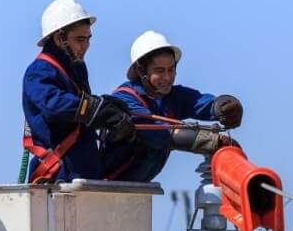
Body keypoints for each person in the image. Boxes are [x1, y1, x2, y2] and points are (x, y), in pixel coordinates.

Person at [100, 31, 243, 182]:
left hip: (137, 188)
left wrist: (226, 105)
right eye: (160, 71)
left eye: (171, 69)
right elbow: (159, 133)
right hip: (104, 187)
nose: (167, 77)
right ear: (142, 71)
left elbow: (202, 103)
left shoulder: (173, 97)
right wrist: (212, 141)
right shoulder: (124, 99)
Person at [21, 0, 134, 183]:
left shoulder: (76, 67)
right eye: (80, 40)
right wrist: (94, 109)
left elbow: (83, 111)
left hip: (81, 169)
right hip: (58, 173)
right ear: (59, 38)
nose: (86, 46)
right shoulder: (39, 71)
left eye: (88, 39)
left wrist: (105, 109)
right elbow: (54, 105)